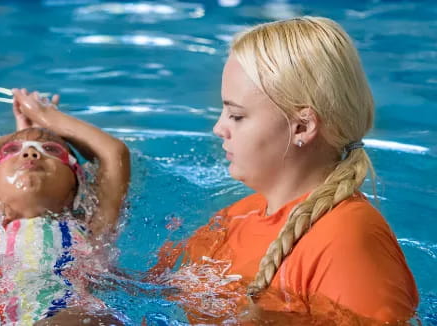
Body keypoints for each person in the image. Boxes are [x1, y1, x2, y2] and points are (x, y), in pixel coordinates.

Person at [148, 16, 419, 324]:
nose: (218, 128)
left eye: (236, 115)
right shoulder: (234, 218)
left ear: (302, 126)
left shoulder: (349, 242)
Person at [0, 89, 130, 325]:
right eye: (12, 151)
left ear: (76, 186)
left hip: (68, 318)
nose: (30, 152)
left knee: (93, 317)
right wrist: (32, 132)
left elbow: (114, 153)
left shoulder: (91, 227)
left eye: (51, 150)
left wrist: (48, 120)